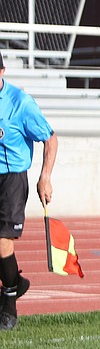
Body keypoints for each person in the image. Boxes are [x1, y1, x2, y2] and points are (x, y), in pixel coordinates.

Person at [0, 51, 58, 332]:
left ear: (2, 71)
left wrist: (44, 177)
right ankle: (16, 282)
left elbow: (50, 138)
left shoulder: (19, 103)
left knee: (2, 242)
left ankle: (9, 305)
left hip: (11, 178)